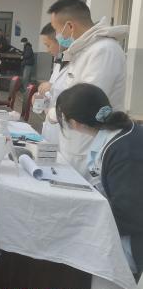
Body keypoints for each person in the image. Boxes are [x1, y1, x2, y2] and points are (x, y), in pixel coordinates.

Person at [55, 83, 143, 276]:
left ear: (74, 123)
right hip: (127, 226)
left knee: (63, 246)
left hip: (134, 243)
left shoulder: (123, 151)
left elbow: (129, 213)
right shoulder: (122, 134)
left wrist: (83, 222)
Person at [48, 0, 127, 173]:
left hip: (89, 145)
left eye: (57, 30)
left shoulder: (104, 51)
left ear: (70, 26)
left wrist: (54, 113)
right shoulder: (83, 50)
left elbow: (85, 102)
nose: (58, 36)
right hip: (74, 141)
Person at [37, 23, 68, 144]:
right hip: (51, 125)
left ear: (60, 40)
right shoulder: (59, 63)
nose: (47, 50)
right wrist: (42, 97)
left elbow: (75, 93)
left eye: (48, 45)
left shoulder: (76, 63)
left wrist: (51, 87)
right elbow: (53, 95)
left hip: (63, 130)